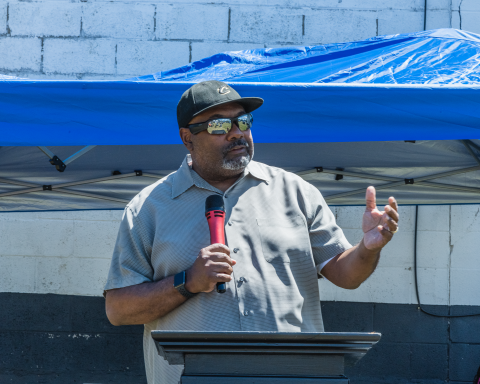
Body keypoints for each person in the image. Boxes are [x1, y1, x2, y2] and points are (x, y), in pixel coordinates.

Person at [104, 80, 399, 384]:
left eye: (243, 121)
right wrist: (187, 281)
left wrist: (368, 248)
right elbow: (118, 310)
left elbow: (345, 274)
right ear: (187, 138)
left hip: (290, 377)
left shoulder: (296, 192)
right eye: (219, 126)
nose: (236, 133)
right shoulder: (147, 208)